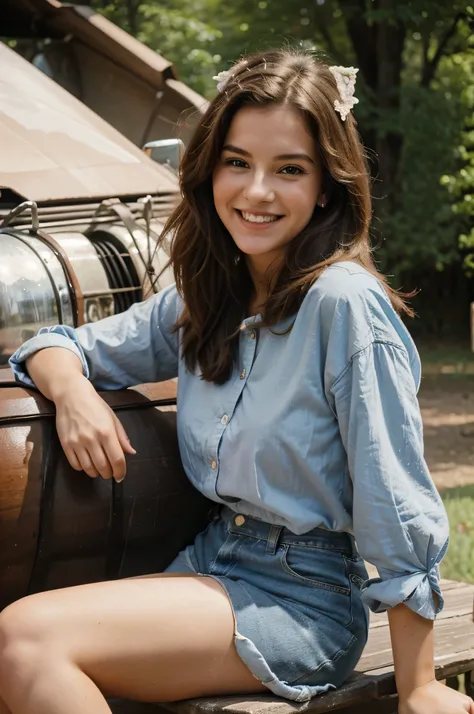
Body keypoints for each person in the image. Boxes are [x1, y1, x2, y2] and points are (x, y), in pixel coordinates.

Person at [1, 49, 472, 714]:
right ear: (209, 171)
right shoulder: (207, 301)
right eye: (237, 162)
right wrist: (73, 392)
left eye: (289, 169)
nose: (256, 191)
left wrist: (419, 685)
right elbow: (55, 344)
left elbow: (393, 491)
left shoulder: (342, 304)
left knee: (25, 639)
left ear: (327, 187)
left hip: (303, 598)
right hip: (212, 563)